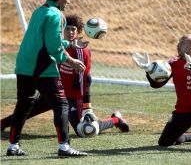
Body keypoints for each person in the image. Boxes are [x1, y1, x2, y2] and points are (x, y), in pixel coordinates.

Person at [1, 15, 129, 135]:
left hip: (73, 97)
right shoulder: (57, 45)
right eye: (67, 29)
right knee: (26, 110)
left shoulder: (81, 50)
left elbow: (85, 79)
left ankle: (115, 120)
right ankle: (2, 123)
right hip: (54, 92)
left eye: (73, 29)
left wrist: (87, 108)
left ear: (78, 31)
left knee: (85, 130)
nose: (70, 32)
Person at [6, 0, 88, 157]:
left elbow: (45, 40)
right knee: (61, 104)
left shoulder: (39, 11)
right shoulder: (56, 14)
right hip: (42, 68)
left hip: (23, 65)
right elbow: (53, 47)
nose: (68, 2)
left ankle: (13, 146)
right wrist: (71, 60)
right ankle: (64, 147)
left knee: (23, 106)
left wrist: (71, 43)